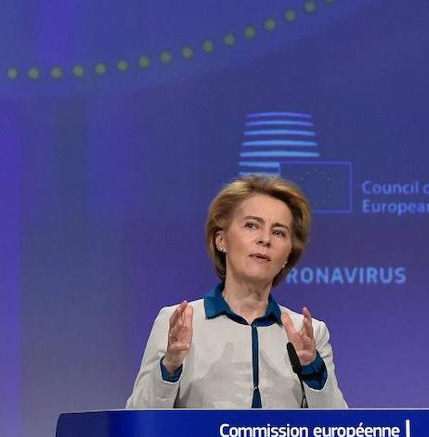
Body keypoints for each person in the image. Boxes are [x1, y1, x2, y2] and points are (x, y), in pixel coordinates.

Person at [126, 175, 346, 408]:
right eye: (251, 225)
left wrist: (312, 367)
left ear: (288, 255)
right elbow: (138, 418)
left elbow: (340, 427)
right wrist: (169, 365)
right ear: (221, 240)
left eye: (279, 232)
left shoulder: (309, 333)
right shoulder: (178, 323)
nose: (265, 239)